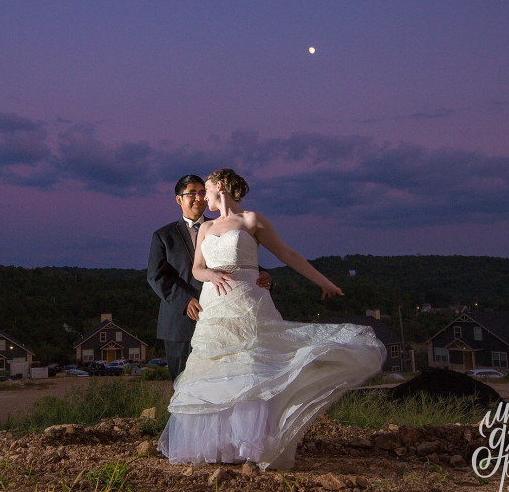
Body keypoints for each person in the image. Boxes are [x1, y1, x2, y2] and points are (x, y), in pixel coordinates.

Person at [158, 168, 386, 470]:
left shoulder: (252, 221)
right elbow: (197, 268)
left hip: (249, 305)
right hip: (215, 306)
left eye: (208, 190)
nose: (203, 197)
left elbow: (289, 255)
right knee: (216, 373)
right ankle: (216, 444)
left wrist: (323, 281)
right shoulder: (206, 228)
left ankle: (251, 444)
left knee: (251, 370)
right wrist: (209, 274)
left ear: (221, 188)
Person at [147, 174, 272, 381]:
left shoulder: (223, 225)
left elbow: (236, 259)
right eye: (192, 193)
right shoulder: (163, 235)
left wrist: (264, 274)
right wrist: (185, 301)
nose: (199, 197)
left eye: (202, 192)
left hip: (222, 315)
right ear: (179, 199)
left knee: (224, 380)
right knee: (183, 384)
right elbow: (156, 276)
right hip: (180, 323)